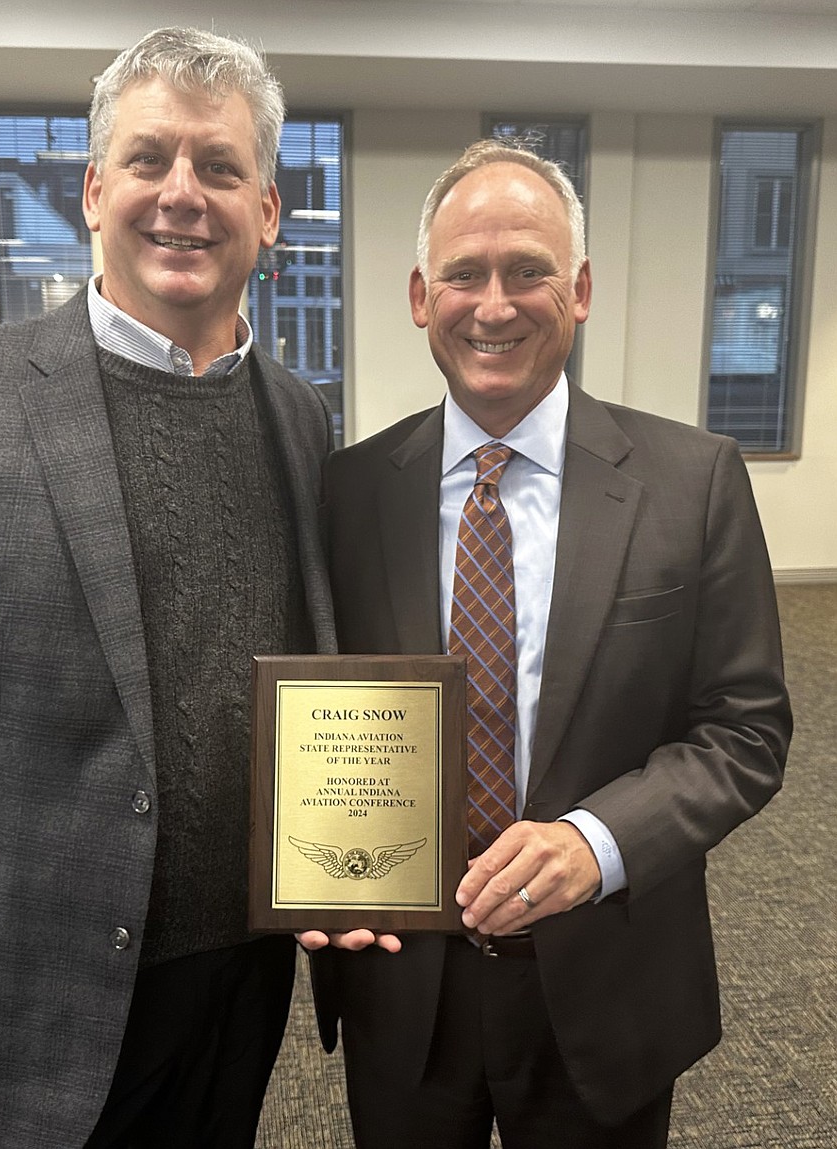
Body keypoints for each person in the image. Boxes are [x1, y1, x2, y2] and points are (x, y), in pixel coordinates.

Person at [0, 26, 336, 1149]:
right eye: (149, 160)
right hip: (26, 997)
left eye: (221, 168)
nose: (182, 194)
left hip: (237, 979)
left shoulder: (300, 417)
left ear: (266, 212)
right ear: (92, 190)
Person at [300, 139, 792, 1148]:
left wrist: (593, 843)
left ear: (577, 291)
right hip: (403, 984)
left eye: (526, 270)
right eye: (463, 274)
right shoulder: (346, 493)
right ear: (415, 295)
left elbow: (744, 733)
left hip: (605, 976)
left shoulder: (690, 482)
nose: (493, 303)